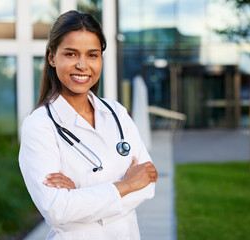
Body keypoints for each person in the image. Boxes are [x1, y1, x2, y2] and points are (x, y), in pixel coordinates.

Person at [18, 10, 158, 240]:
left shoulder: (117, 113)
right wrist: (125, 185)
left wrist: (80, 196)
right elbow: (57, 209)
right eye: (71, 54)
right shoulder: (39, 125)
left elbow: (147, 185)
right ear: (52, 57)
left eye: (92, 55)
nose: (83, 65)